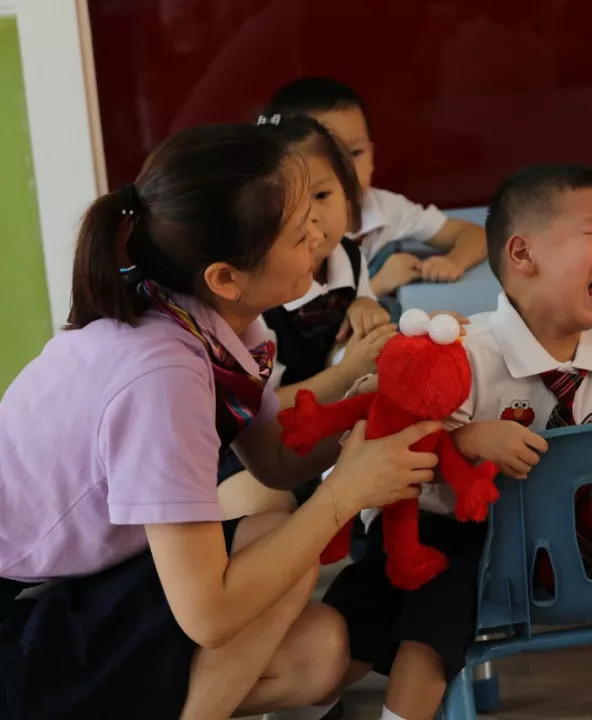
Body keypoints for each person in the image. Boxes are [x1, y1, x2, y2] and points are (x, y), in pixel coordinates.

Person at [0, 123, 440, 720]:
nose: (320, 231)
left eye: (315, 201)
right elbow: (208, 615)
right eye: (296, 229)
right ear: (225, 275)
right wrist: (344, 493)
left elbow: (275, 459)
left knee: (318, 651)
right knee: (276, 542)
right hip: (20, 620)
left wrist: (372, 408)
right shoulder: (161, 376)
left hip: (71, 589)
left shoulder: (209, 317)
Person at [321, 164, 592, 720]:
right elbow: (402, 451)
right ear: (522, 255)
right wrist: (465, 440)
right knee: (349, 636)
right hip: (425, 525)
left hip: (532, 544)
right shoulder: (465, 353)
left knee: (429, 637)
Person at [217, 113, 396, 520]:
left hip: (319, 432)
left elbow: (365, 335)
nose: (311, 220)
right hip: (247, 450)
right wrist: (346, 372)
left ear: (349, 196)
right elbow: (260, 415)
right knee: (268, 513)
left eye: (321, 196)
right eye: (287, 207)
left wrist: (366, 303)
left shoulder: (348, 258)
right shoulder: (256, 298)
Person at [268, 77, 488, 305]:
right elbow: (311, 325)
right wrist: (380, 284)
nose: (348, 170)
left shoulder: (385, 207)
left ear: (372, 153)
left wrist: (454, 261)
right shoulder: (291, 231)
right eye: (334, 157)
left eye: (356, 153)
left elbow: (475, 235)